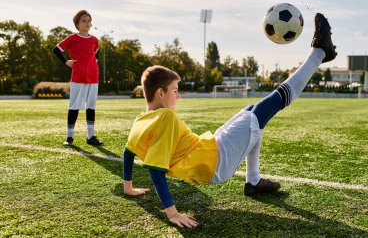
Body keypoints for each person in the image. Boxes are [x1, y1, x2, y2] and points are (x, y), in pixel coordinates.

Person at [123, 13, 337, 228]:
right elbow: (155, 170)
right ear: (160, 93)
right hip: (216, 161)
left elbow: (128, 153)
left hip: (211, 148)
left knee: (251, 111)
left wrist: (128, 187)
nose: (178, 96)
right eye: (175, 91)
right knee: (265, 109)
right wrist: (172, 214)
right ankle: (319, 52)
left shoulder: (141, 120)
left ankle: (253, 182)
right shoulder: (166, 116)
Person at [52, 10, 104, 147]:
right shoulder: (72, 38)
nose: (87, 23)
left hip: (93, 78)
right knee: (74, 107)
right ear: (77, 24)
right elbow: (56, 50)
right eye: (84, 20)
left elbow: (96, 54)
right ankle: (69, 137)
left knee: (91, 107)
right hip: (78, 77)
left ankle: (91, 136)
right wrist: (65, 62)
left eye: (89, 20)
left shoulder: (94, 40)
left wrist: (95, 63)